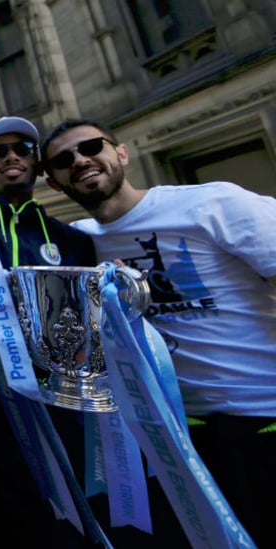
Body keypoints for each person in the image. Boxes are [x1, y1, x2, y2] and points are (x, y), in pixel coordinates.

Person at [41, 118, 276, 547]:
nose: (80, 160)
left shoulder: (213, 203)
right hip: (180, 441)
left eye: (92, 146)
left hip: (264, 415)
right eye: (62, 160)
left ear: (121, 153)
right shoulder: (78, 244)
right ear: (54, 183)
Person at [0, 116, 99, 548]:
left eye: (23, 149)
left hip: (62, 415)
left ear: (38, 165)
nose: (11, 156)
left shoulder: (75, 241)